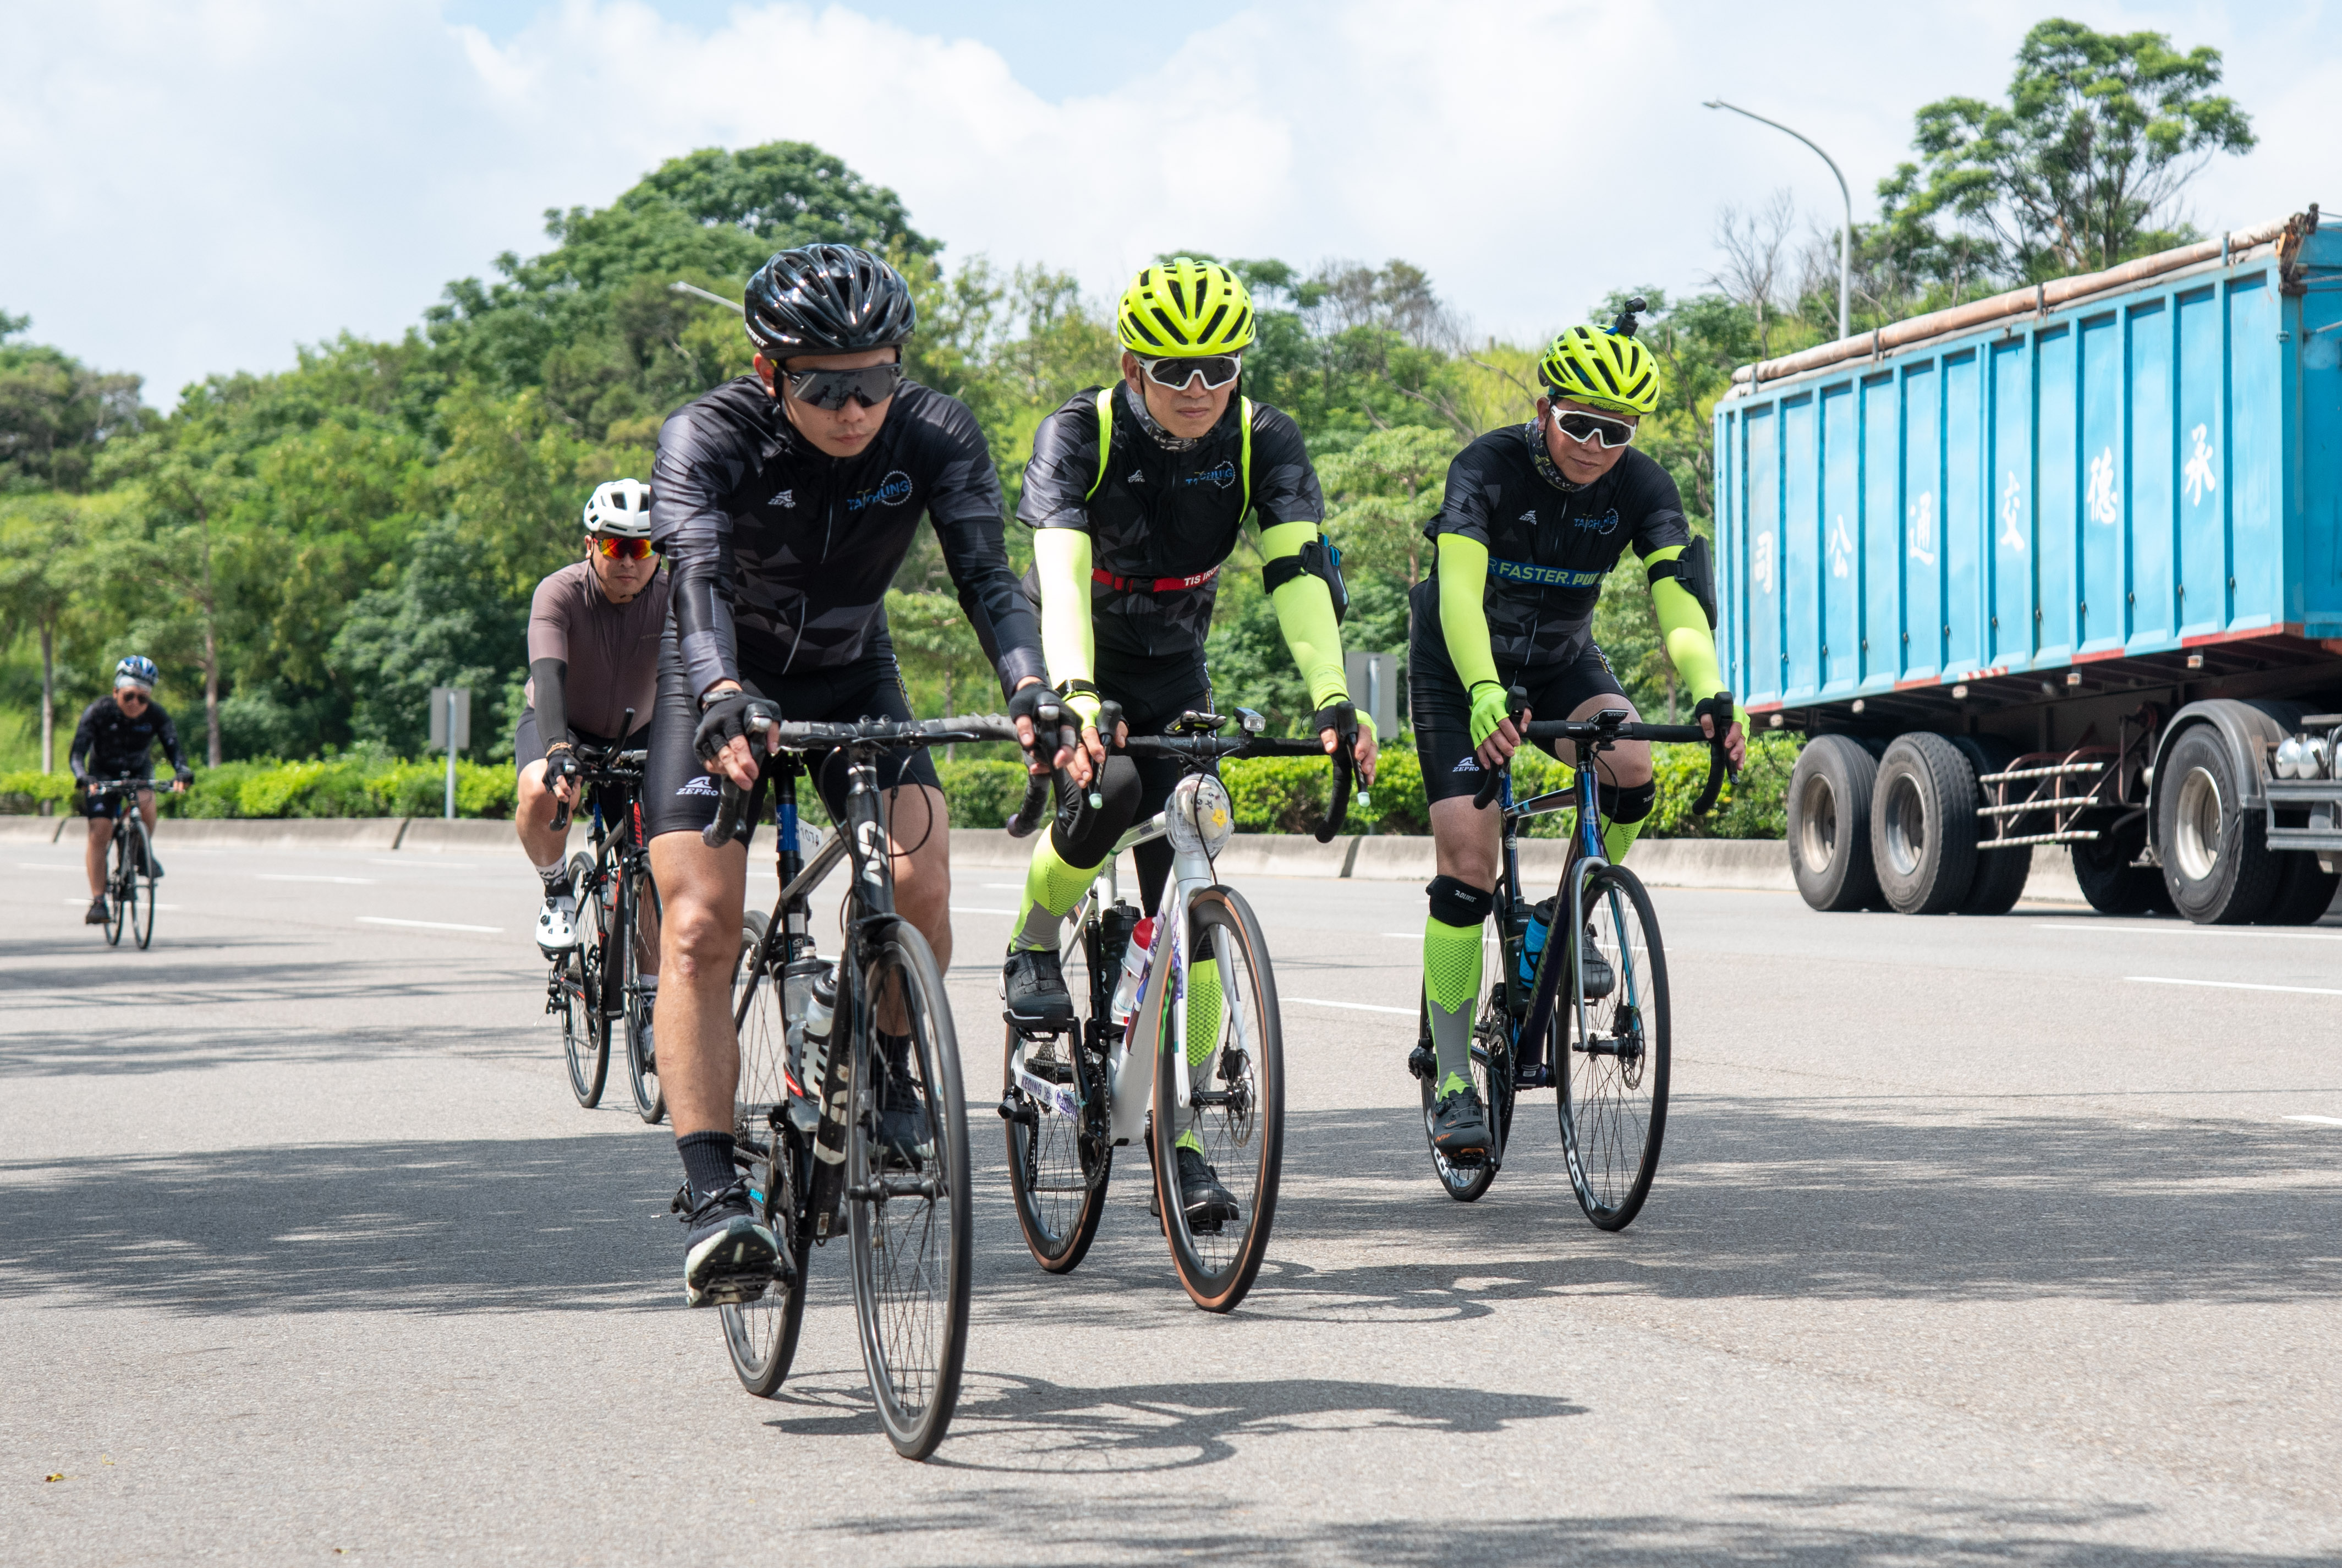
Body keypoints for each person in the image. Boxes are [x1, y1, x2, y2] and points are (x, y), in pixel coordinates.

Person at [644, 243, 1063, 1307]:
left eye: (874, 382)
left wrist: (1030, 687)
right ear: (768, 371)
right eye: (825, 388)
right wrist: (722, 692)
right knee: (698, 925)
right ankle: (716, 1197)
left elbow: (988, 578)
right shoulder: (707, 436)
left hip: (850, 668)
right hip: (719, 675)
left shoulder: (935, 433)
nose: (853, 409)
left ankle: (883, 1060)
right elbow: (694, 581)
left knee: (920, 882)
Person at [997, 256, 1377, 1227]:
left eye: (1221, 368)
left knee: (1193, 861)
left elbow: (1297, 573)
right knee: (1117, 791)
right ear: (1133, 367)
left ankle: (1185, 1137)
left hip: (1174, 664)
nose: (1200, 388)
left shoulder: (1261, 438)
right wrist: (1077, 694)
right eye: (1175, 371)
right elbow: (1060, 575)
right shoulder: (1079, 432)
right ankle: (1033, 942)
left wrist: (1333, 697)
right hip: (1084, 645)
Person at [1408, 316, 1745, 1158]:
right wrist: (1483, 690)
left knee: (1630, 764)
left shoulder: (1643, 486)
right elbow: (1457, 593)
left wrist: (1709, 688)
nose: (1596, 445)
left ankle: (1560, 918)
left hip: (1560, 661)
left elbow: (1678, 603)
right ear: (1543, 409)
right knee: (1468, 860)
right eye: (1580, 423)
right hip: (1459, 664)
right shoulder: (1486, 466)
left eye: (1616, 431)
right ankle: (1451, 1080)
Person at [514, 477, 668, 1015]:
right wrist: (559, 748)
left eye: (641, 547)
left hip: (639, 732)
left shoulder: (674, 596)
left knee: (650, 862)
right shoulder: (559, 593)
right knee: (541, 789)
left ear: (657, 551)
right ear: (591, 545)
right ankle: (557, 888)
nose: (628, 560)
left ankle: (650, 1000)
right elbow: (548, 675)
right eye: (615, 545)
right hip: (564, 724)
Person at [70, 656, 191, 923]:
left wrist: (183, 771)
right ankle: (98, 901)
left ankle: (138, 850)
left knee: (147, 798)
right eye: (129, 696)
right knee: (100, 831)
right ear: (116, 692)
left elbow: (174, 747)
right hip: (102, 776)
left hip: (138, 774)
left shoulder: (156, 715)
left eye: (143, 698)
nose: (136, 703)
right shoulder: (99, 712)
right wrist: (83, 777)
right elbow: (77, 753)